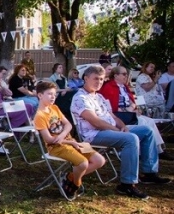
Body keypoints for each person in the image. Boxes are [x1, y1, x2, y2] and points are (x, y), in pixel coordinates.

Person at [70, 65, 170, 200]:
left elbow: (113, 116)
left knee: (147, 130)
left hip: (110, 130)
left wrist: (123, 127)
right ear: (86, 78)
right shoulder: (80, 98)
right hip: (93, 135)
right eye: (95, 79)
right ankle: (127, 184)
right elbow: (96, 122)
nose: (98, 82)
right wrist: (118, 131)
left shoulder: (99, 96)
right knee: (130, 139)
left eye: (101, 79)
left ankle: (149, 173)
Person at [34, 81, 105, 199]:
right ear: (40, 95)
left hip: (72, 141)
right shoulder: (40, 116)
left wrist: (63, 137)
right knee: (83, 163)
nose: (53, 97)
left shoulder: (55, 108)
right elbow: (50, 139)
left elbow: (69, 125)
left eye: (54, 94)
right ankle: (76, 183)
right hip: (57, 147)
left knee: (100, 160)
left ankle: (70, 177)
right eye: (49, 94)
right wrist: (69, 141)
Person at [99, 66, 173, 160]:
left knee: (150, 121)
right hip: (118, 116)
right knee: (146, 124)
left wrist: (134, 107)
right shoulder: (108, 87)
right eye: (124, 74)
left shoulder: (124, 87)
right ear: (116, 75)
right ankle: (156, 151)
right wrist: (128, 110)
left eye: (127, 74)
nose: (126, 76)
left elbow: (132, 101)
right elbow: (110, 107)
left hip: (129, 114)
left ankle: (157, 150)